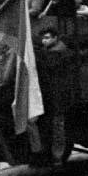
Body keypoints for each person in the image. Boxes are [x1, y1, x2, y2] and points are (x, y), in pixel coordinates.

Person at [35, 27, 72, 167]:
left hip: (58, 96)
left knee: (57, 126)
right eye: (43, 38)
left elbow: (50, 65)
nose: (45, 40)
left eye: (48, 37)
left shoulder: (60, 53)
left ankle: (58, 156)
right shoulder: (49, 52)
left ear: (56, 38)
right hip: (51, 96)